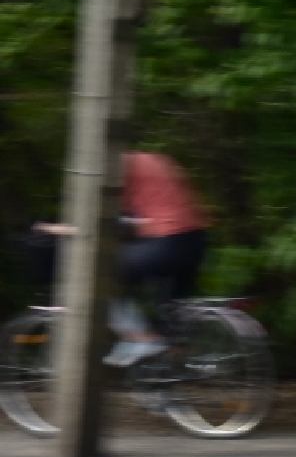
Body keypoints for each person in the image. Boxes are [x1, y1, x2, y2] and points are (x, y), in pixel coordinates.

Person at [27, 151, 213, 365]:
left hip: (166, 244)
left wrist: (52, 229)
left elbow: (101, 224)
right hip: (195, 241)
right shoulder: (156, 160)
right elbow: (138, 220)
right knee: (170, 321)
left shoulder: (115, 167)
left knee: (95, 275)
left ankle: (139, 338)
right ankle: (171, 372)